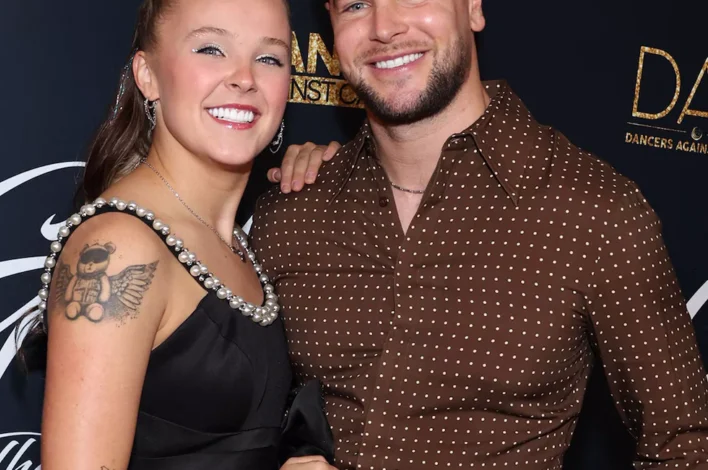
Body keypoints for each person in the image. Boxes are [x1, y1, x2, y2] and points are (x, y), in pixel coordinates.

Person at [251, 0, 708, 468]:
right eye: (355, 4)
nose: (384, 28)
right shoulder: (291, 214)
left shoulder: (595, 213)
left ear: (472, 7)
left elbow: (685, 446)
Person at [18, 0, 336, 468]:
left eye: (269, 57)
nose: (244, 78)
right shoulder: (120, 249)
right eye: (211, 49)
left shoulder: (240, 239)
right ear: (147, 75)